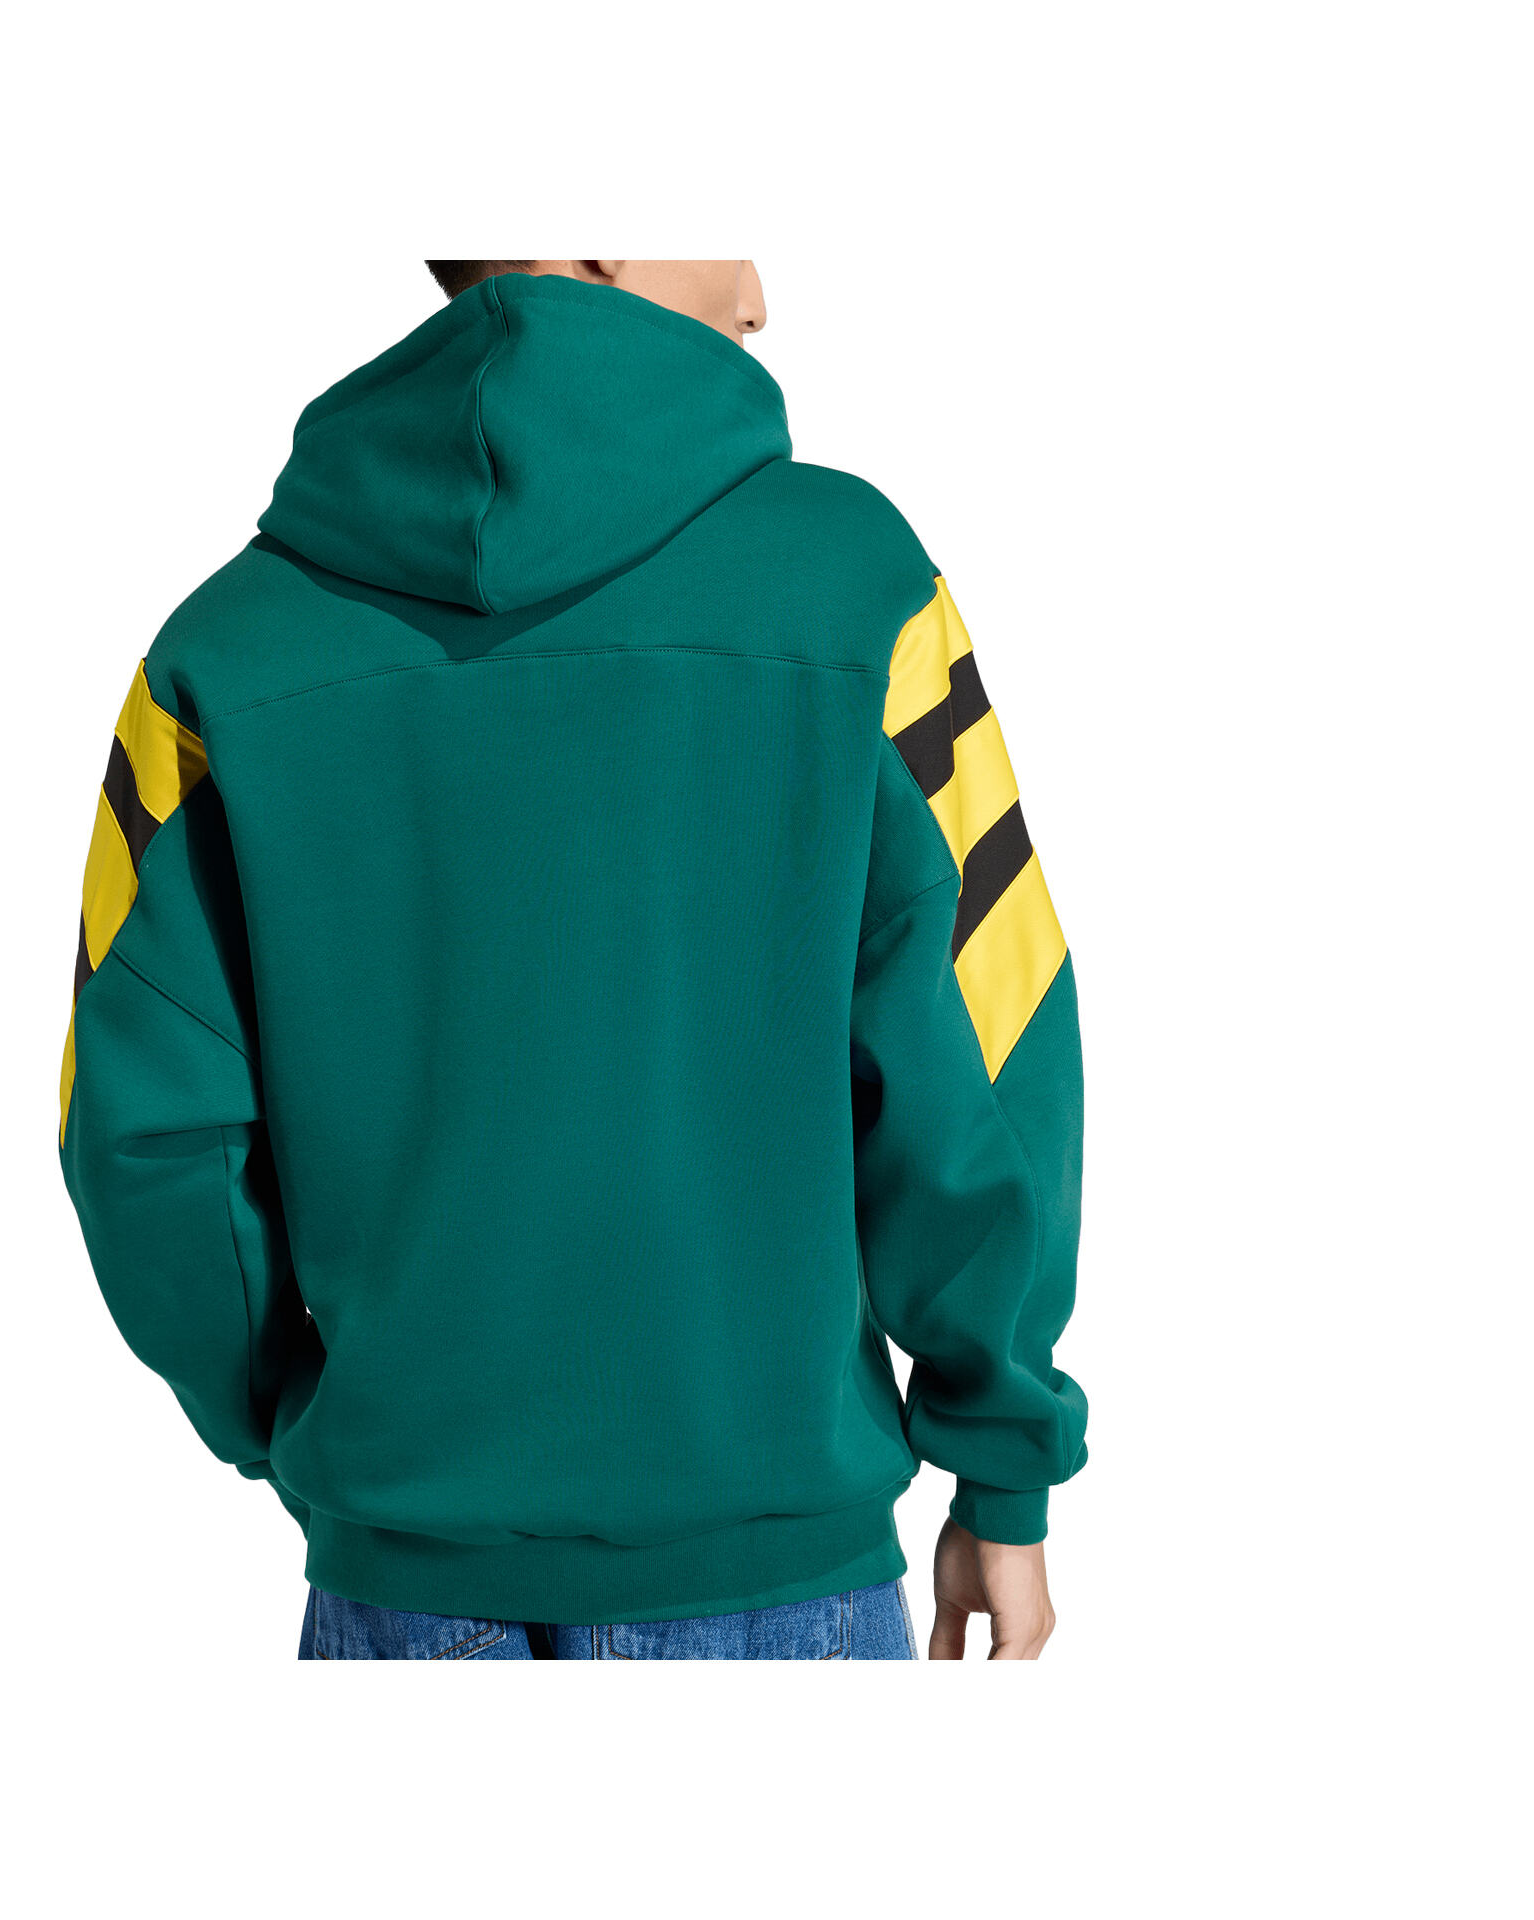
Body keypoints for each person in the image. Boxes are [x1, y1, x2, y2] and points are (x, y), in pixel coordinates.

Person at [59, 260, 1086, 1660]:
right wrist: (1002, 1457)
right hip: (778, 1581)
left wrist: (327, 1429)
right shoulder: (859, 587)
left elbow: (144, 1142)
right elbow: (986, 1045)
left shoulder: (222, 652)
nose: (761, 293)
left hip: (400, 1584)